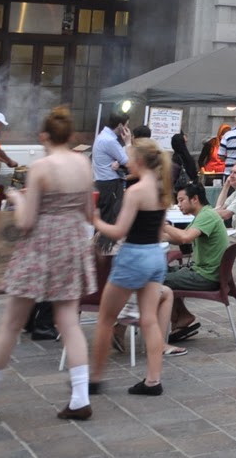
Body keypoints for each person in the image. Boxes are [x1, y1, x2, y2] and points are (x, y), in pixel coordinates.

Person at [0, 108, 96, 422]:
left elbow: (25, 221)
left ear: (44, 136)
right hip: (72, 241)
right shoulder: (82, 164)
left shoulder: (41, 167)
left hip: (41, 245)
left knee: (11, 322)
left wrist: (16, 198)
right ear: (72, 135)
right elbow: (89, 214)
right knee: (67, 319)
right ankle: (80, 397)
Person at [89, 137, 175, 397]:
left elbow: (118, 231)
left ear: (138, 161)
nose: (126, 163)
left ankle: (95, 378)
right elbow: (159, 229)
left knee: (105, 319)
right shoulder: (162, 189)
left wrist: (94, 220)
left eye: (129, 158)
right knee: (148, 319)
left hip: (133, 256)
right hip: (155, 257)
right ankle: (153, 380)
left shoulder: (135, 192)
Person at [161, 181, 229, 343]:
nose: (178, 205)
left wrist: (161, 223)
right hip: (203, 271)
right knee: (159, 272)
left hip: (206, 276)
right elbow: (179, 239)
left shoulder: (207, 216)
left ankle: (152, 328)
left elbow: (185, 237)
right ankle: (182, 316)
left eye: (181, 200)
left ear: (195, 199)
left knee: (152, 278)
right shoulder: (203, 215)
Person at [91, 111, 130, 235]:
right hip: (110, 183)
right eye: (126, 126)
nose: (127, 129)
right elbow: (128, 162)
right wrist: (128, 142)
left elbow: (119, 159)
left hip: (102, 182)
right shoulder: (110, 141)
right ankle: (104, 250)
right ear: (120, 126)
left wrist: (118, 161)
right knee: (109, 219)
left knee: (105, 217)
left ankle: (100, 248)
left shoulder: (102, 136)